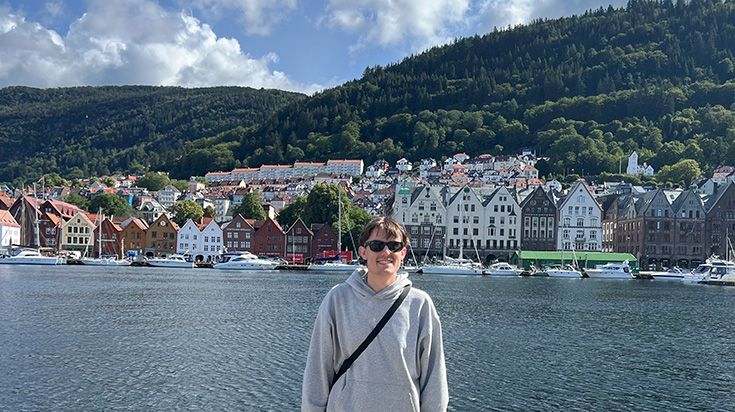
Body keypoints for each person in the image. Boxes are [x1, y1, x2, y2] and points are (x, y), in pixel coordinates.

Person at [302, 216, 448, 412]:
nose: (386, 252)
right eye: (377, 245)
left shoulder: (420, 305)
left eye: (394, 246)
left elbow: (434, 378)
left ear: (403, 253)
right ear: (363, 251)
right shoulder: (337, 300)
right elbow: (317, 370)